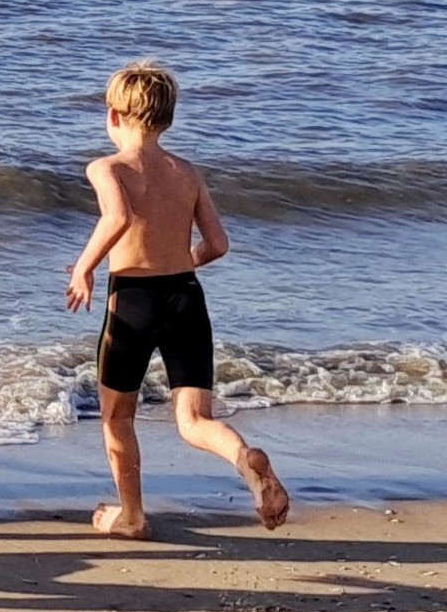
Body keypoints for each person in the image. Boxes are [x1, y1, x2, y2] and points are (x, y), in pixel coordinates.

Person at [65, 60, 290, 539]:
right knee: (193, 420)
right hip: (187, 296)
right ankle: (246, 461)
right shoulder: (186, 172)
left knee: (118, 416)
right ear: (168, 119)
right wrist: (179, 259)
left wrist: (85, 267)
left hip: (134, 298)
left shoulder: (106, 167)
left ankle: (132, 516)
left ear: (113, 117)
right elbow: (218, 245)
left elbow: (118, 217)